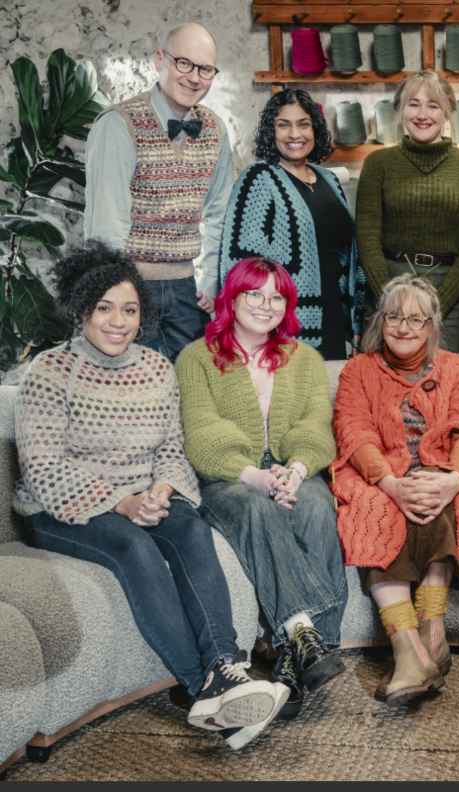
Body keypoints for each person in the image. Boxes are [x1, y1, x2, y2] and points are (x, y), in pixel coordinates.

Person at [14, 241, 288, 751]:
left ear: (143, 315)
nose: (118, 321)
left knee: (188, 527)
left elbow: (172, 448)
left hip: (145, 494)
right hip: (60, 508)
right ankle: (204, 685)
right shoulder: (49, 373)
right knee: (134, 548)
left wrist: (162, 489)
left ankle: (225, 667)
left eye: (130, 309)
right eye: (104, 308)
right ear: (80, 312)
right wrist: (122, 503)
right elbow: (44, 468)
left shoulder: (157, 369)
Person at [176, 256, 348, 723]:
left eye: (277, 296)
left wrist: (294, 471)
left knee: (315, 504)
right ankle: (304, 636)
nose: (266, 305)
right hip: (229, 477)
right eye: (255, 293)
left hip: (292, 469)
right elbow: (202, 433)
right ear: (232, 297)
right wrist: (256, 476)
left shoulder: (304, 358)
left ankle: (297, 665)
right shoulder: (197, 358)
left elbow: (315, 423)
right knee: (256, 508)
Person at [331, 275, 459, 706]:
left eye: (415, 320)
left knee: (441, 499)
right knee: (376, 510)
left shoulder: (457, 367)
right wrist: (389, 482)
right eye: (394, 317)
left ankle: (430, 635)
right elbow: (355, 431)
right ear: (380, 321)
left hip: (442, 469)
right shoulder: (358, 369)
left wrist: (454, 479)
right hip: (380, 474)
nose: (403, 328)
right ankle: (409, 648)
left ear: (432, 325)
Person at [84, 23, 233, 360]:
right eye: (184, 63)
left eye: (205, 69)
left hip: (186, 290)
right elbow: (107, 226)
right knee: (130, 397)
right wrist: (112, 301)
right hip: (128, 285)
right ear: (159, 60)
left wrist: (210, 280)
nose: (194, 77)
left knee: (188, 395)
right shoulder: (118, 124)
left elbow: (221, 213)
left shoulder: (215, 129)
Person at [218, 89, 362, 360]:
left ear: (315, 129)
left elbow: (346, 253)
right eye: (283, 125)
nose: (294, 134)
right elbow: (241, 263)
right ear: (271, 132)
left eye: (303, 124)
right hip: (285, 324)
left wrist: (355, 319)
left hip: (332, 315)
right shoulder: (258, 178)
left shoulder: (328, 180)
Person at [356, 71, 459, 355]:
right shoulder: (377, 164)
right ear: (400, 109)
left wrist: (437, 305)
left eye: (433, 105)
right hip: (387, 289)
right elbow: (367, 240)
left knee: (445, 383)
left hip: (448, 294)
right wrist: (390, 302)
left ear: (447, 112)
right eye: (413, 104)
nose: (422, 114)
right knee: (379, 384)